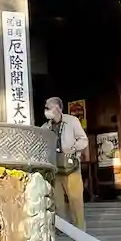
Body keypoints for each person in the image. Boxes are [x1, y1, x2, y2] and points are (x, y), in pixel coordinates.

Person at [44, 97, 87, 229]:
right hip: (55, 168)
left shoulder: (72, 121)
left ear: (57, 108)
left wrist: (73, 148)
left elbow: (83, 139)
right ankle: (63, 228)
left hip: (71, 167)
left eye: (48, 108)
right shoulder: (46, 126)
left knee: (75, 199)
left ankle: (79, 228)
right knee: (58, 202)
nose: (46, 111)